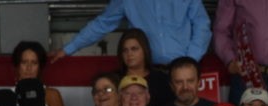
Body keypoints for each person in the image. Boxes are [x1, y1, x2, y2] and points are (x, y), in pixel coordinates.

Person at [50, 1, 211, 66]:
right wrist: (68, 49)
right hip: (146, 71)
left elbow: (202, 24)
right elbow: (102, 23)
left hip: (184, 71)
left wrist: (190, 60)